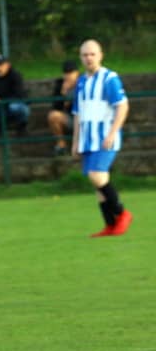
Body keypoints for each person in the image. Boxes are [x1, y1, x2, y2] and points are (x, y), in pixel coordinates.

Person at [72, 39, 132, 237]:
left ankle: (122, 213)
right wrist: (75, 141)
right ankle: (110, 225)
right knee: (99, 182)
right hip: (87, 139)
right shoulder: (81, 82)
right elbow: (77, 113)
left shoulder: (109, 78)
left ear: (100, 55)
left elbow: (122, 106)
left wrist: (113, 132)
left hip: (105, 137)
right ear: (80, 58)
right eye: (85, 55)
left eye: (92, 54)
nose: (89, 58)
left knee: (96, 175)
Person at [47, 60, 79, 156]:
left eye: (70, 73)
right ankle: (61, 145)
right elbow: (55, 108)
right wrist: (63, 94)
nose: (68, 76)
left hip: (83, 119)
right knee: (53, 116)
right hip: (70, 119)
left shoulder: (84, 83)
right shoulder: (60, 85)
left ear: (76, 73)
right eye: (66, 73)